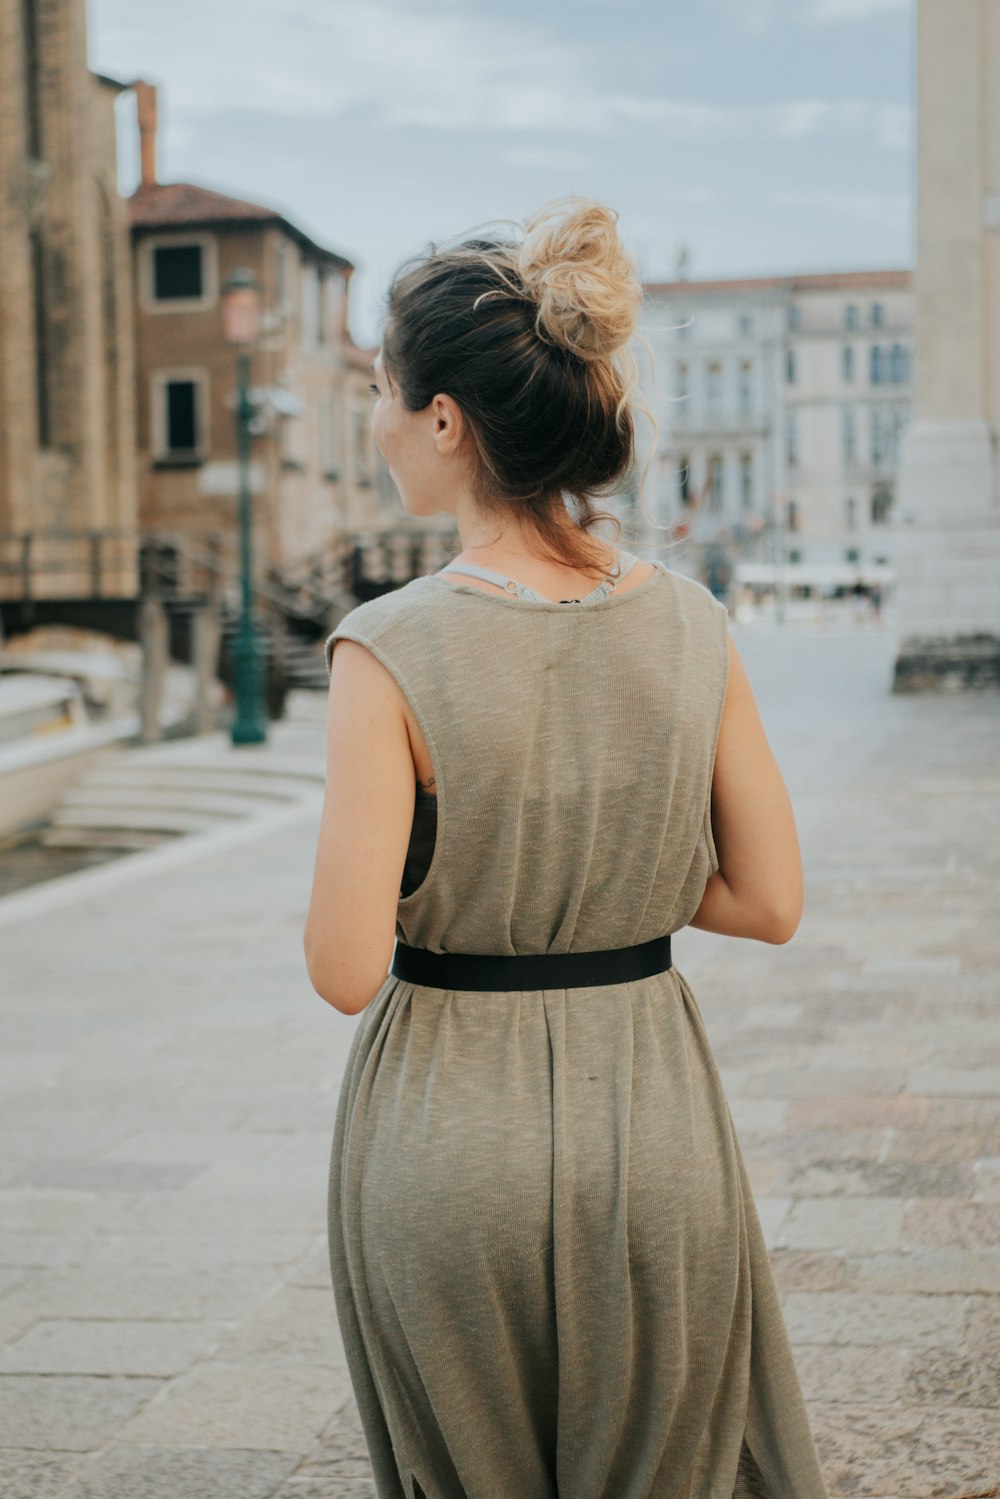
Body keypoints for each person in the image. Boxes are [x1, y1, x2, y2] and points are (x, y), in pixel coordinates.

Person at [303, 197, 829, 1499]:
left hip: (446, 1151)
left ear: (444, 420)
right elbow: (770, 902)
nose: (372, 422)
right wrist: (622, 874)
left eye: (380, 390)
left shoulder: (388, 647)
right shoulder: (696, 622)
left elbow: (345, 965)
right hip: (654, 1127)